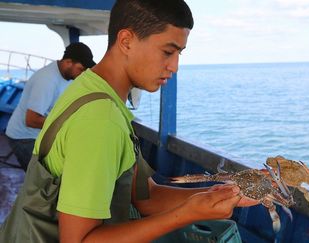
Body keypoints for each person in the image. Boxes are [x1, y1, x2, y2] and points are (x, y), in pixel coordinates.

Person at [0, 0, 258, 242]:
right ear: (126, 41)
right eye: (168, 51)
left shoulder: (92, 90)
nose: (175, 66)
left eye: (180, 53)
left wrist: (221, 195)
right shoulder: (100, 121)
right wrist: (188, 214)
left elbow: (144, 197)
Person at [5, 42, 95, 171]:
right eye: (81, 69)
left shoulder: (65, 75)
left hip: (38, 135)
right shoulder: (47, 81)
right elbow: (31, 120)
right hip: (24, 138)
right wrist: (68, 126)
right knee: (42, 180)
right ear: (68, 62)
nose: (82, 74)